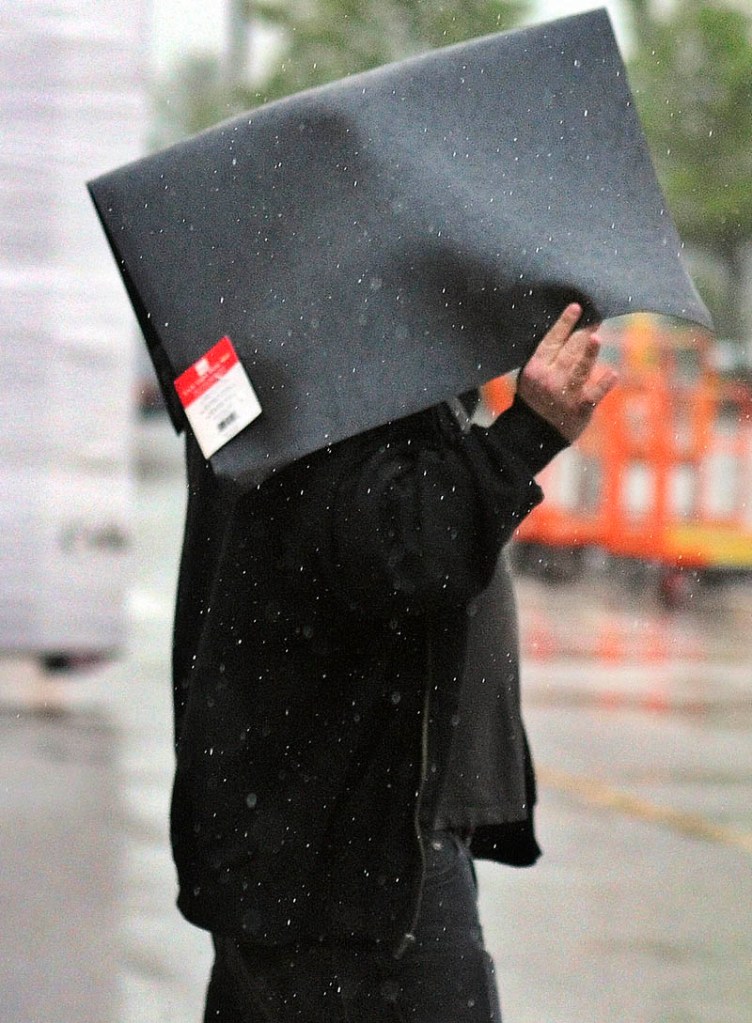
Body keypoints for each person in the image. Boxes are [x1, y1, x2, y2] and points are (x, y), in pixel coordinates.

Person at [170, 302, 617, 1021]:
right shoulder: (332, 354)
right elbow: (402, 550)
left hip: (300, 837)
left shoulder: (252, 344)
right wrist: (527, 434)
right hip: (352, 852)